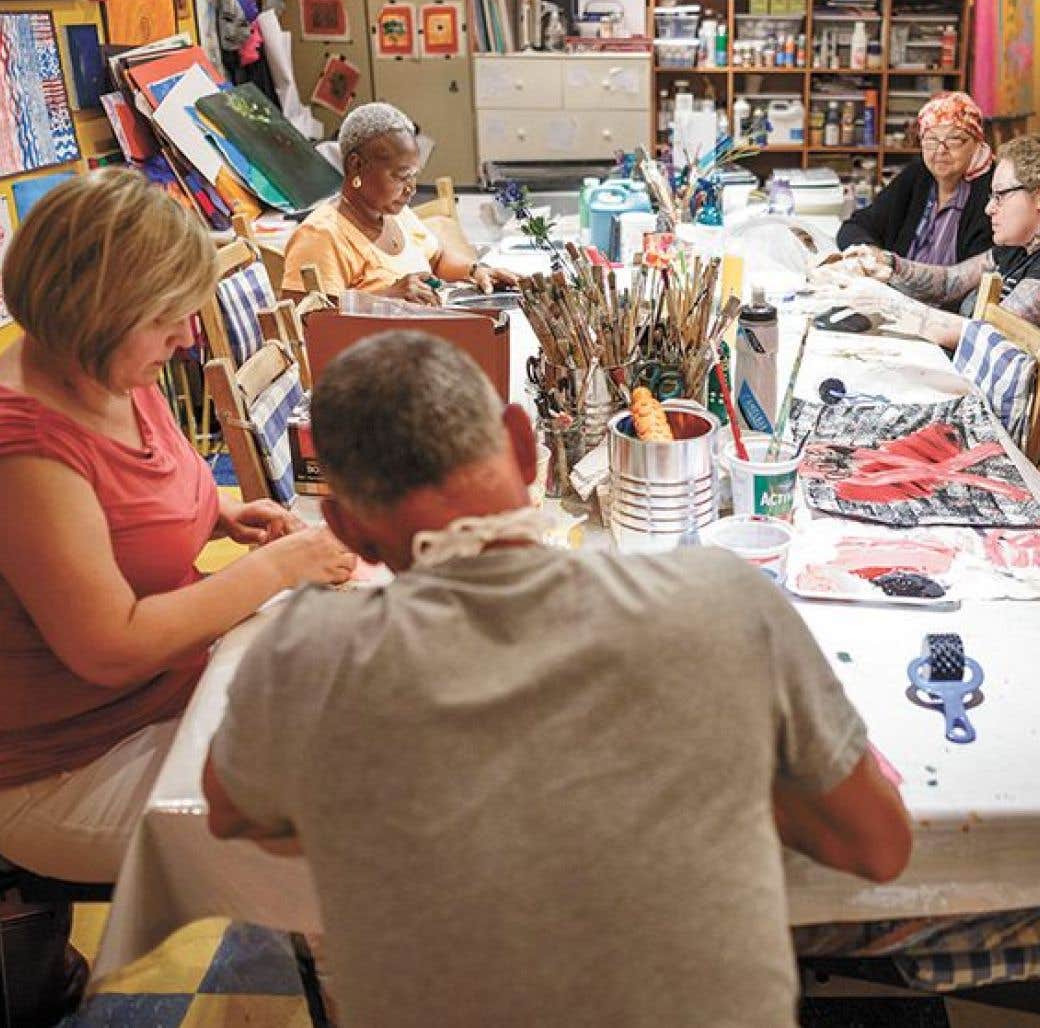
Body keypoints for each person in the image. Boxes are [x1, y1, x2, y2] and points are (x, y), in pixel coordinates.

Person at [202, 331, 912, 1027]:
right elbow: (879, 847)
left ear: (344, 529)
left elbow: (233, 812)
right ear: (522, 443)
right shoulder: (724, 599)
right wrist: (715, 778)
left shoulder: (303, 656)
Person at [0, 169, 355, 884]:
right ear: (94, 315)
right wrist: (280, 568)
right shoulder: (17, 453)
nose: (186, 338)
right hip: (72, 765)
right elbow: (112, 648)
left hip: (168, 693)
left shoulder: (108, 370)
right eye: (166, 321)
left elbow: (133, 498)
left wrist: (220, 512)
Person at [815, 130, 1040, 442]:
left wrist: (888, 303)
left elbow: (983, 336)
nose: (989, 208)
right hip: (991, 402)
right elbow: (950, 282)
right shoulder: (1023, 246)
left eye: (1000, 195)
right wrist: (887, 265)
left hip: (1028, 428)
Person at [281, 102, 518, 304]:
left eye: (414, 175)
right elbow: (310, 326)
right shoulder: (320, 236)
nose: (411, 188)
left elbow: (437, 260)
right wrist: (387, 296)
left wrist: (476, 271)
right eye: (401, 176)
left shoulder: (394, 213)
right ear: (355, 166)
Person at [836, 91, 994, 265]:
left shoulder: (992, 192)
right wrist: (872, 255)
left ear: (977, 143)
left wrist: (892, 266)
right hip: (895, 289)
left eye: (954, 140)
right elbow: (856, 226)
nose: (941, 150)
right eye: (931, 140)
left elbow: (974, 275)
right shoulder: (917, 176)